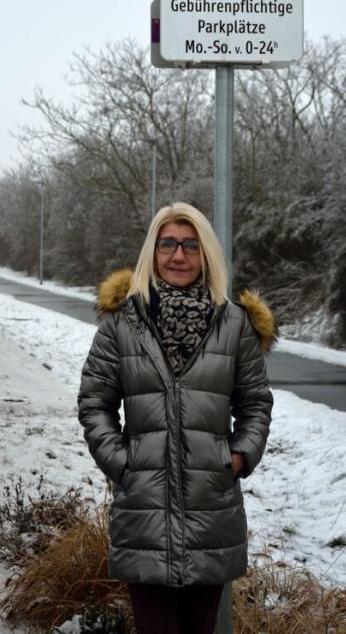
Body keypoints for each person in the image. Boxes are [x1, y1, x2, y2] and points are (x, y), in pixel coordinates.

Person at [78, 202, 275, 634]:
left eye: (190, 244)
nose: (179, 255)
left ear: (205, 253)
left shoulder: (235, 324)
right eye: (168, 244)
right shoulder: (121, 324)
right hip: (144, 509)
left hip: (212, 509)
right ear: (153, 251)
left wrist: (238, 456)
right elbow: (95, 402)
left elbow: (256, 402)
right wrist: (124, 464)